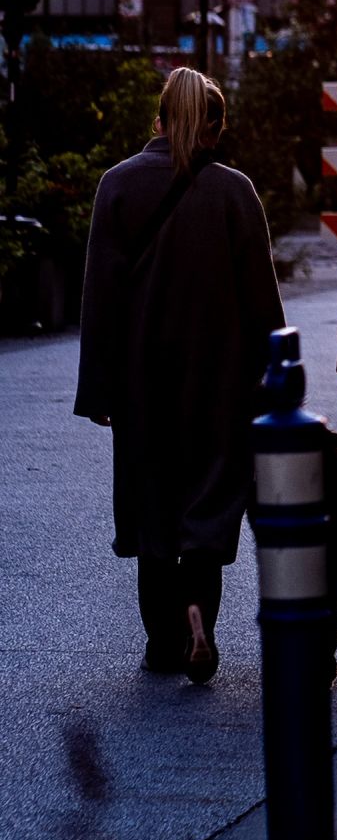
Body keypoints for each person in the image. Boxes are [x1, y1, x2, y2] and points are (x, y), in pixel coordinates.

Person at [76, 67, 282, 685]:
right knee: (207, 505)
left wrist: (99, 390)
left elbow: (99, 297)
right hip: (220, 382)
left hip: (141, 382)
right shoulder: (235, 192)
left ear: (159, 120)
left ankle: (164, 641)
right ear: (215, 128)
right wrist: (274, 381)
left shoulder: (116, 186)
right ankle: (200, 620)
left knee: (153, 510)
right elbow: (262, 304)